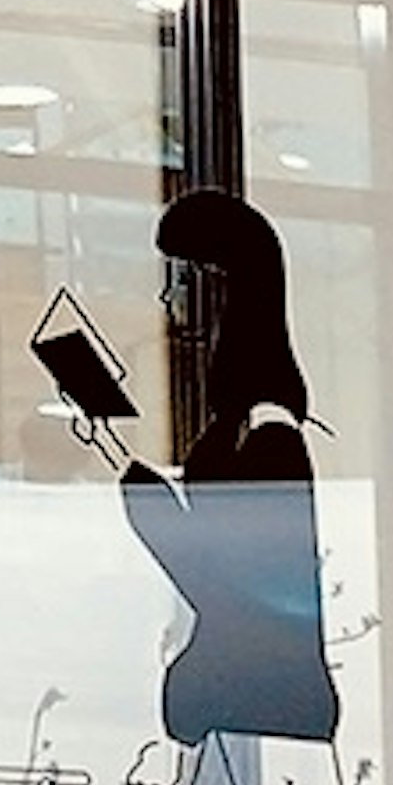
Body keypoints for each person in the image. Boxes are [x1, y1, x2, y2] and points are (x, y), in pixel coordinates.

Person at [117, 187, 338, 747]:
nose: (170, 298)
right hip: (242, 696)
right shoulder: (240, 428)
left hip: (260, 702)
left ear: (222, 288)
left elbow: (235, 589)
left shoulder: (269, 435)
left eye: (182, 278)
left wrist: (149, 507)